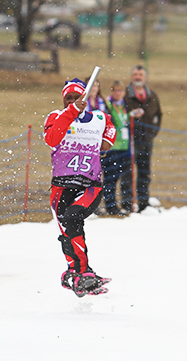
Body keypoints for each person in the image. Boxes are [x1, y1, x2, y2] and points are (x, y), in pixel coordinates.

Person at [44, 78, 116, 297]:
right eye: (69, 98)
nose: (73, 101)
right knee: (66, 232)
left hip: (89, 185)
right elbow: (52, 138)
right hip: (61, 187)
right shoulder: (55, 117)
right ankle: (74, 272)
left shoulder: (101, 118)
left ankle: (83, 272)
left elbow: (107, 141)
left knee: (73, 216)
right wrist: (71, 113)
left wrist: (88, 137)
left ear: (86, 98)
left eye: (78, 98)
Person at [124, 65, 162, 212]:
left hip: (147, 140)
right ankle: (128, 204)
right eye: (135, 74)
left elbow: (158, 115)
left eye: (140, 74)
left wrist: (153, 132)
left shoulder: (152, 95)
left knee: (144, 173)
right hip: (130, 140)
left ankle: (143, 203)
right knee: (128, 172)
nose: (137, 77)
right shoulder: (125, 95)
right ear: (131, 76)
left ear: (145, 77)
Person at [102, 80, 133, 215]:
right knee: (110, 178)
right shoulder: (108, 105)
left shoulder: (125, 106)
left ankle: (122, 204)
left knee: (121, 177)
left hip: (124, 146)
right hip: (112, 147)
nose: (118, 93)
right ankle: (110, 206)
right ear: (112, 91)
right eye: (115, 90)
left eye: (120, 90)